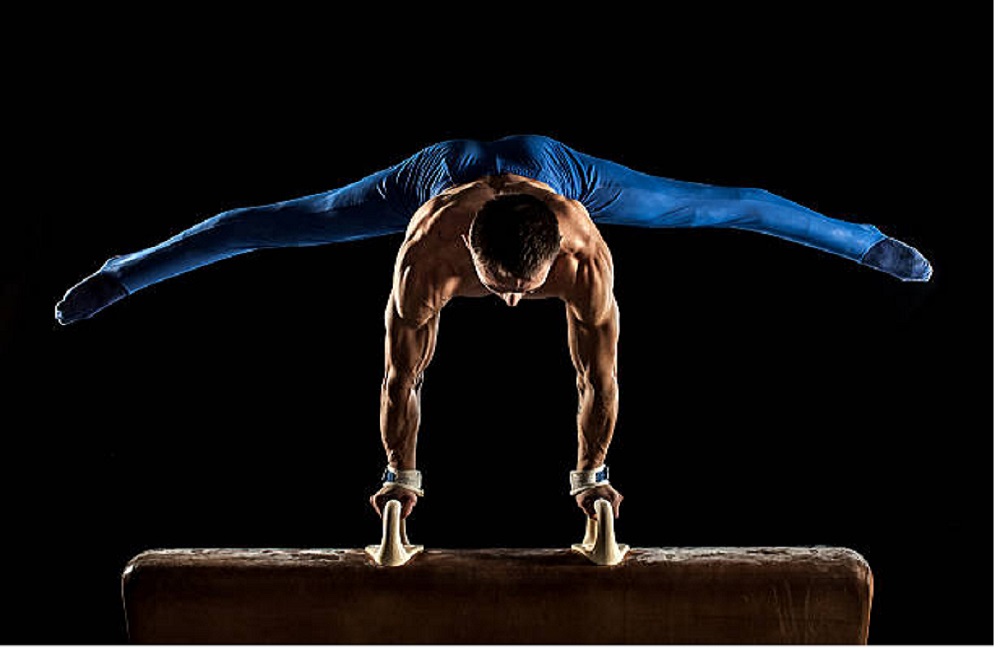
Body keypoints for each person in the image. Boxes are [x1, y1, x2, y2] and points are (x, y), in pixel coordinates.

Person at [54, 135, 932, 522]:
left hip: (560, 171)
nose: (510, 305)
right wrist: (400, 474)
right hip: (434, 178)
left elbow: (597, 377)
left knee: (732, 205)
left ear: (555, 263)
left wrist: (592, 473)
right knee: (260, 224)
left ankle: (864, 242)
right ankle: (123, 271)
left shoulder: (585, 255)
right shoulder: (427, 256)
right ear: (469, 257)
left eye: (525, 291)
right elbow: (403, 378)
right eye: (497, 288)